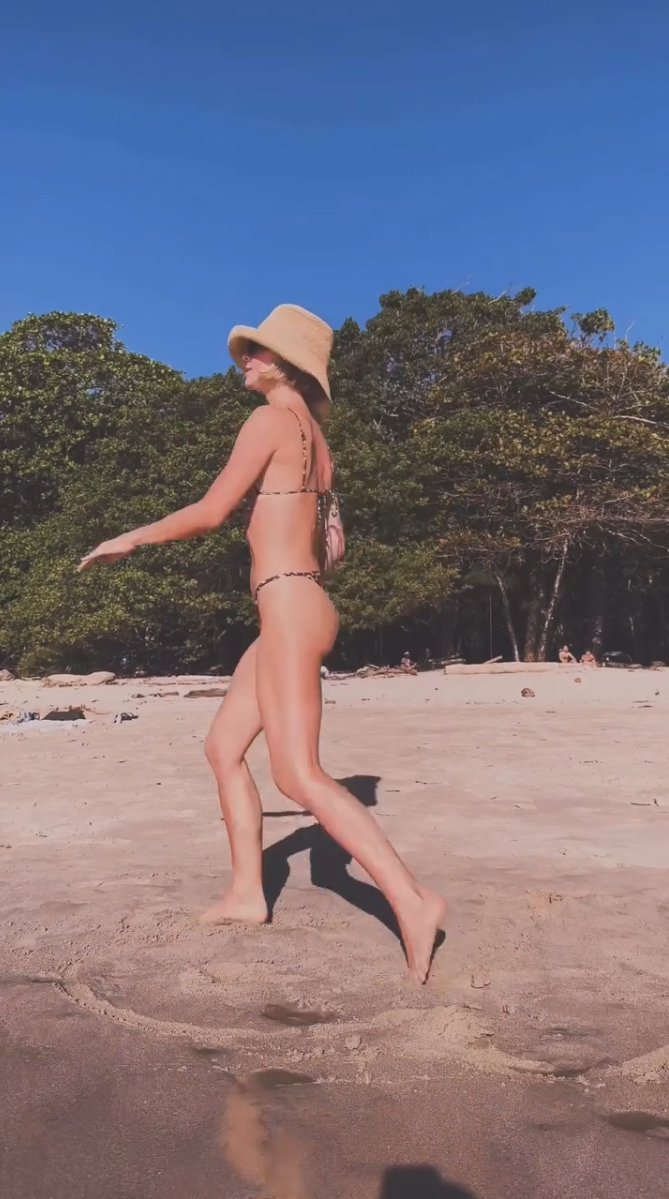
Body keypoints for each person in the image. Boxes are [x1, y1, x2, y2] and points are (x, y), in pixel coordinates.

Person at [78, 304, 446, 982]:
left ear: (288, 365)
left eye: (258, 351)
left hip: (288, 605)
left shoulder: (270, 421)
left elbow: (210, 511)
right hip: (297, 602)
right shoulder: (317, 443)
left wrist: (130, 537)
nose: (245, 360)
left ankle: (413, 899)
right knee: (223, 748)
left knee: (297, 775)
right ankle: (248, 893)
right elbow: (327, 544)